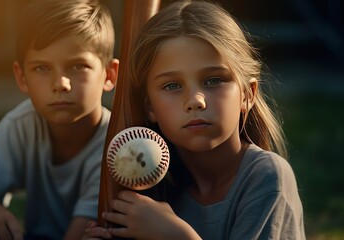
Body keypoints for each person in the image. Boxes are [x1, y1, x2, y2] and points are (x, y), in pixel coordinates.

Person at [84, 0, 305, 239]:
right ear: (150, 107)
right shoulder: (150, 190)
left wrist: (178, 236)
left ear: (247, 94)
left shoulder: (266, 177)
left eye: (213, 80)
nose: (195, 101)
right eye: (172, 85)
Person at [0, 0, 119, 239]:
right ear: (22, 77)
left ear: (109, 75)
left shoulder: (115, 146)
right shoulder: (21, 125)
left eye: (78, 66)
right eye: (42, 68)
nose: (60, 84)